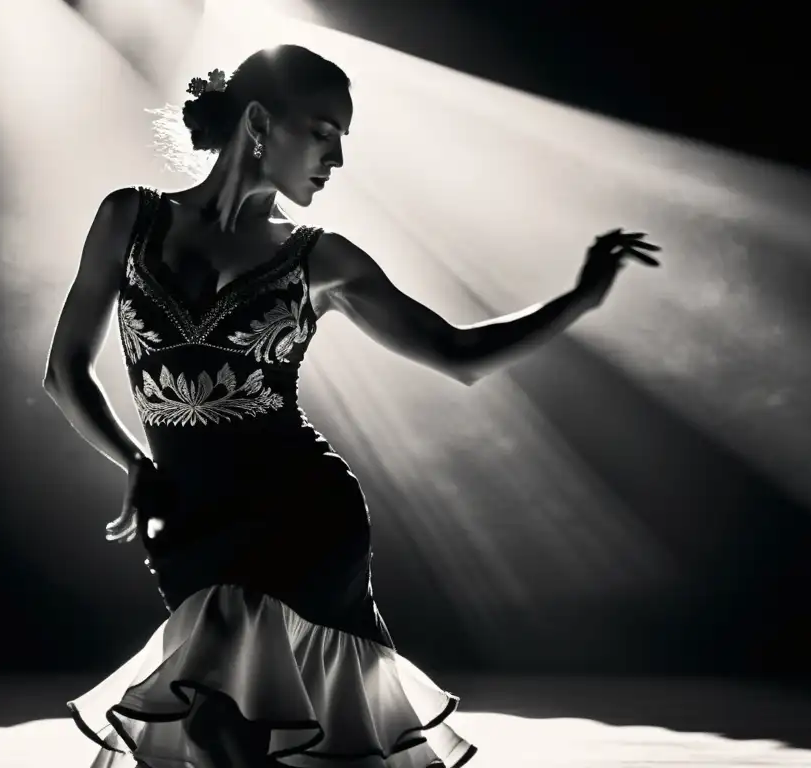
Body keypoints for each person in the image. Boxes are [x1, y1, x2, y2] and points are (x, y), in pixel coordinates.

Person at [43, 44, 660, 768]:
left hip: (301, 519)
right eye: (323, 129)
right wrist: (135, 462)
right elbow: (65, 373)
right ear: (259, 122)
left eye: (343, 137)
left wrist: (580, 297)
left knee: (238, 737)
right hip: (186, 522)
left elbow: (457, 354)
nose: (336, 156)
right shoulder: (130, 218)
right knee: (222, 738)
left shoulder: (321, 259)